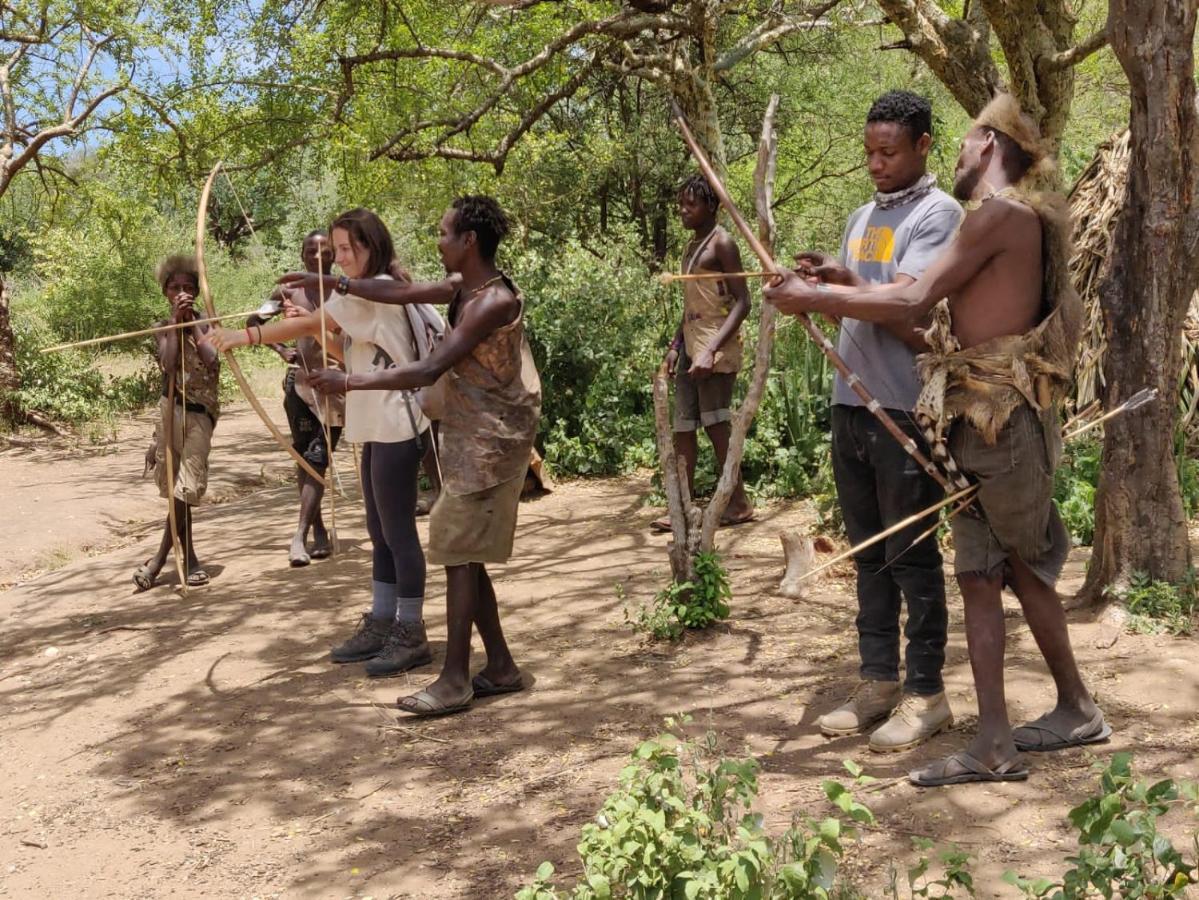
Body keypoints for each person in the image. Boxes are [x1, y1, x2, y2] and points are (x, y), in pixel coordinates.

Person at [765, 93, 1103, 786]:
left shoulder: (1001, 214)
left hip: (999, 422)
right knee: (987, 574)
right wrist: (845, 282)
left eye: (960, 143)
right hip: (982, 418)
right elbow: (913, 294)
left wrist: (816, 299)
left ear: (986, 145)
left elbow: (910, 303)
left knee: (1012, 569)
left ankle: (1056, 716)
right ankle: (1015, 735)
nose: (953, 154)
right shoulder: (1002, 218)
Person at [309, 195, 540, 718]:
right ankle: (500, 666)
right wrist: (335, 283)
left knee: (458, 555)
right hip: (469, 437)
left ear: (469, 241)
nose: (437, 241)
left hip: (492, 443)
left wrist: (347, 379)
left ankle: (455, 677)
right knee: (465, 554)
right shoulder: (467, 288)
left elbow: (425, 370)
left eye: (443, 232)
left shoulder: (491, 301)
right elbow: (397, 290)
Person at [207, 209, 458, 677]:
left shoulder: (376, 286)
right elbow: (356, 352)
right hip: (376, 425)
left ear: (371, 247)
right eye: (338, 250)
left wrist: (242, 336)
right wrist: (314, 325)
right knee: (379, 531)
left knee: (397, 533)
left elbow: (308, 327)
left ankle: (411, 631)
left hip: (396, 426)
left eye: (347, 250)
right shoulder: (367, 291)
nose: (339, 260)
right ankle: (384, 621)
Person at [790, 91, 963, 751]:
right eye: (868, 151)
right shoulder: (862, 217)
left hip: (901, 405)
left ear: (921, 146)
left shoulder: (939, 214)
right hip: (852, 403)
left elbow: (906, 307)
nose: (874, 164)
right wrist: (830, 283)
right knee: (868, 554)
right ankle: (878, 682)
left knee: (910, 555)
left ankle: (927, 694)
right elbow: (854, 309)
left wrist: (827, 291)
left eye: (887, 152)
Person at [653, 174, 754, 532]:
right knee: (683, 425)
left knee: (715, 424)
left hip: (716, 343)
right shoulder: (691, 246)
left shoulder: (722, 243)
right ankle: (681, 506)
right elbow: (690, 307)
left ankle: (738, 503)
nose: (682, 210)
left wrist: (711, 349)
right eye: (680, 203)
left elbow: (744, 302)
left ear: (711, 206)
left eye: (690, 204)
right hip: (692, 341)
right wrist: (674, 348)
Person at [247, 230, 343, 567]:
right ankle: (316, 532)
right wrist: (281, 349)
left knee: (318, 458)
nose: (317, 256)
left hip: (335, 389)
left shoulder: (344, 289)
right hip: (299, 386)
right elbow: (254, 321)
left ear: (333, 254)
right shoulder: (287, 292)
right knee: (305, 458)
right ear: (301, 254)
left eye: (324, 250)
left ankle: (299, 535)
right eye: (310, 251)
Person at [133, 255, 221, 590]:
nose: (181, 292)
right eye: (175, 288)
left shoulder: (211, 323)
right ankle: (191, 558)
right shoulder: (161, 327)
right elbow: (168, 365)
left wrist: (193, 324)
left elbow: (211, 360)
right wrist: (175, 321)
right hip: (170, 411)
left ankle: (157, 561)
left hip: (201, 414)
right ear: (165, 292)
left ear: (197, 291)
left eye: (187, 287)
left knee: (187, 489)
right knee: (174, 490)